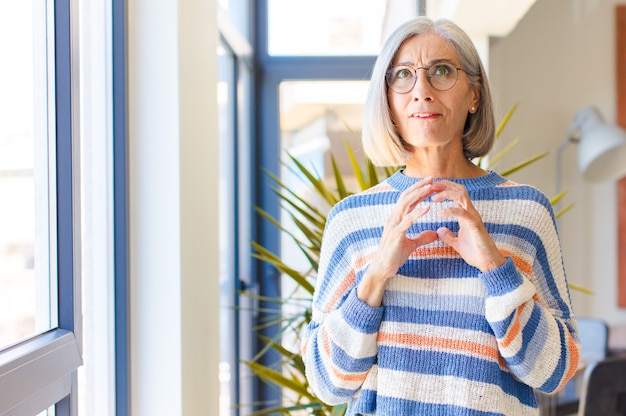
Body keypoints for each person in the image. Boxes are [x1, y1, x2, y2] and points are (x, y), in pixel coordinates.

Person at [300, 16, 580, 415]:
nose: (422, 92)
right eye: (403, 76)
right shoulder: (351, 220)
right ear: (388, 102)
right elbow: (327, 384)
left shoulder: (526, 211)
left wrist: (494, 266)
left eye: (442, 72)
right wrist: (377, 272)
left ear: (474, 95)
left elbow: (556, 372)